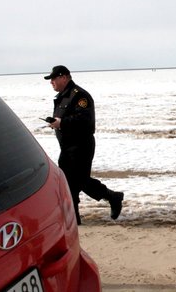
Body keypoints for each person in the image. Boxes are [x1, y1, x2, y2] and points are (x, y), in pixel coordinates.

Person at [44, 65, 124, 225]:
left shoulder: (79, 96)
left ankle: (77, 218)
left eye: (54, 78)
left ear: (64, 77)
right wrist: (55, 123)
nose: (51, 82)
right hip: (67, 147)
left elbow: (85, 121)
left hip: (80, 145)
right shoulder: (63, 96)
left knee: (77, 181)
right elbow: (63, 120)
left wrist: (62, 123)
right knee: (71, 182)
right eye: (50, 79)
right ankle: (110, 198)